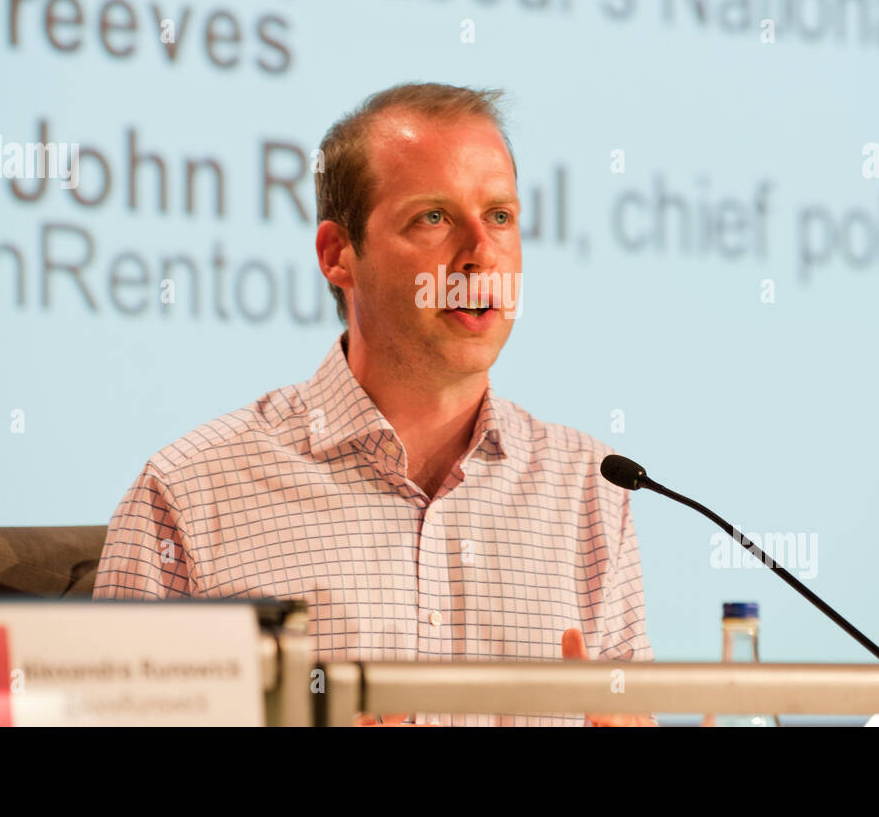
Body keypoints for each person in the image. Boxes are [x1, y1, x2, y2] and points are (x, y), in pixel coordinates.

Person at [94, 83, 655, 726]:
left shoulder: (592, 484)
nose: (480, 253)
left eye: (499, 216)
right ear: (339, 256)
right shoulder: (190, 492)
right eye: (433, 218)